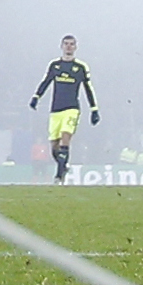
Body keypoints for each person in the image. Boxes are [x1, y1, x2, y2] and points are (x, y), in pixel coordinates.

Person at [30, 36, 94, 183]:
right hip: (55, 110)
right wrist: (36, 97)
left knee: (66, 138)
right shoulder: (55, 65)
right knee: (54, 145)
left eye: (72, 44)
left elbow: (88, 88)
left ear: (76, 47)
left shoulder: (80, 67)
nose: (69, 47)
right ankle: (63, 166)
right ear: (61, 46)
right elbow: (46, 82)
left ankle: (59, 176)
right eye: (66, 44)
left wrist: (94, 109)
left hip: (72, 109)